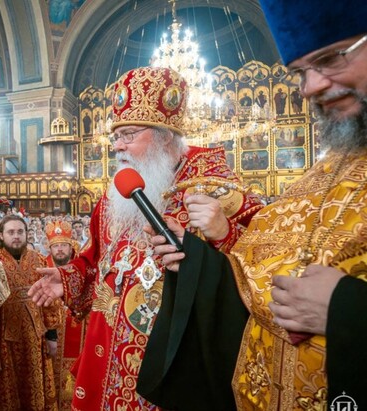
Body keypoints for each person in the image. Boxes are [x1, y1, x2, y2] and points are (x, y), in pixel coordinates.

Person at [138, 1, 367, 408]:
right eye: (299, 72)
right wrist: (194, 257)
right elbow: (258, 284)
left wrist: (345, 308)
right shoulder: (327, 169)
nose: (310, 87)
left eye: (331, 58)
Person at [28, 66, 263, 410]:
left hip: (173, 360)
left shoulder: (216, 187)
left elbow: (262, 264)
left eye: (129, 135)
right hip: (109, 355)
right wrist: (69, 277)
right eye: (116, 136)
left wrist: (224, 235)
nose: (118, 147)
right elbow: (95, 259)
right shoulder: (116, 194)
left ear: (165, 135)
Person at [0, 215, 58, 410]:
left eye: (20, 232)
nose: (16, 236)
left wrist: (52, 335)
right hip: (5, 341)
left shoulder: (37, 259)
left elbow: (49, 299)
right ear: (1, 236)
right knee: (9, 391)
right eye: (11, 232)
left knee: (36, 388)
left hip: (36, 337)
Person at [44, 220, 87, 410]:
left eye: (63, 245)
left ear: (72, 247)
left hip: (80, 339)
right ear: (50, 248)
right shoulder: (41, 267)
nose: (60, 250)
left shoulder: (82, 269)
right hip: (51, 340)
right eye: (56, 246)